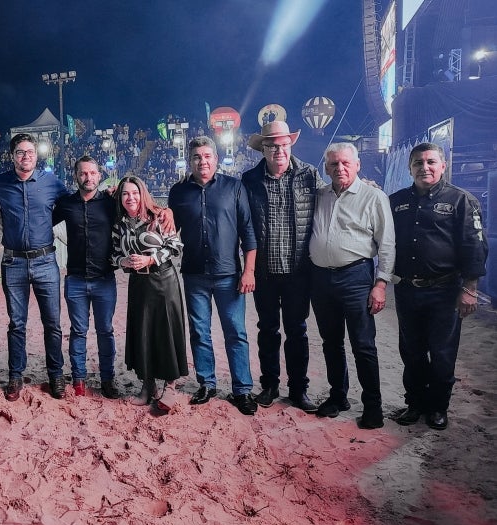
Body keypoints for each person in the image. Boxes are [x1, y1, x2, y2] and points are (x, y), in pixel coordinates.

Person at [389, 142, 488, 430]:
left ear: (443, 166)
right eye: (418, 163)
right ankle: (415, 404)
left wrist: (470, 289)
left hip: (444, 292)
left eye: (431, 162)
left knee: (443, 353)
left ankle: (438, 408)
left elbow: (474, 246)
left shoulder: (461, 201)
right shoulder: (396, 201)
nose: (425, 167)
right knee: (412, 351)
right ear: (410, 168)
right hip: (407, 290)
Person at [167, 136, 259, 416]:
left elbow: (248, 232)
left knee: (236, 333)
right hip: (194, 274)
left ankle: (242, 389)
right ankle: (206, 383)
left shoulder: (234, 187)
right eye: (197, 157)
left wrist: (249, 271)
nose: (202, 161)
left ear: (216, 160)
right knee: (199, 332)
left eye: (207, 156)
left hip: (229, 275)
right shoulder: (178, 191)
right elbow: (170, 232)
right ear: (189, 160)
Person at [309, 143, 395, 429]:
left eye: (345, 163)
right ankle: (338, 397)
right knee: (331, 342)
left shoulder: (373, 196)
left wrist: (380, 283)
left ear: (358, 165)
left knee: (363, 344)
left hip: (356, 278)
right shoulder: (319, 195)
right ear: (326, 168)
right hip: (321, 279)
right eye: (333, 164)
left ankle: (373, 405)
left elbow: (387, 244)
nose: (340, 169)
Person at [242, 121, 323, 413]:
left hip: (298, 273)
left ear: (291, 145)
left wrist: (362, 186)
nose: (278, 150)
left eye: (283, 144)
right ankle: (270, 385)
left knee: (297, 331)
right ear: (262, 149)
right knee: (267, 330)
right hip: (263, 273)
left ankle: (298, 389)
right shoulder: (249, 180)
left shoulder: (309, 175)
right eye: (272, 145)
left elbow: (333, 200)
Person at [0, 133, 69, 401]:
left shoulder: (51, 182)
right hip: (13, 262)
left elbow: (70, 207)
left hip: (46, 262)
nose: (25, 156)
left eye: (30, 152)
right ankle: (15, 376)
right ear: (12, 155)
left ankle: (55, 374)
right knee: (17, 324)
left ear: (36, 154)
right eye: (20, 152)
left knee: (52, 323)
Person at [112, 176, 187, 405]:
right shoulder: (119, 224)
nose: (130, 197)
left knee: (165, 331)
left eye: (134, 193)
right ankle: (147, 386)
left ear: (142, 193)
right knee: (142, 333)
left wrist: (150, 260)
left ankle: (170, 385)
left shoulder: (159, 217)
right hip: (138, 285)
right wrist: (123, 261)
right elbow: (114, 254)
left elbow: (175, 246)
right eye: (125, 193)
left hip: (164, 282)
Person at [53, 156, 119, 399]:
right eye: (83, 173)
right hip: (76, 279)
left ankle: (107, 379)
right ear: (76, 176)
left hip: (104, 279)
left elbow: (138, 209)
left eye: (92, 173)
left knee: (105, 331)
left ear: (99, 176)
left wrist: (164, 213)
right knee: (78, 331)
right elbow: (42, 222)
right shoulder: (66, 204)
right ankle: (79, 379)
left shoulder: (111, 203)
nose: (88, 177)